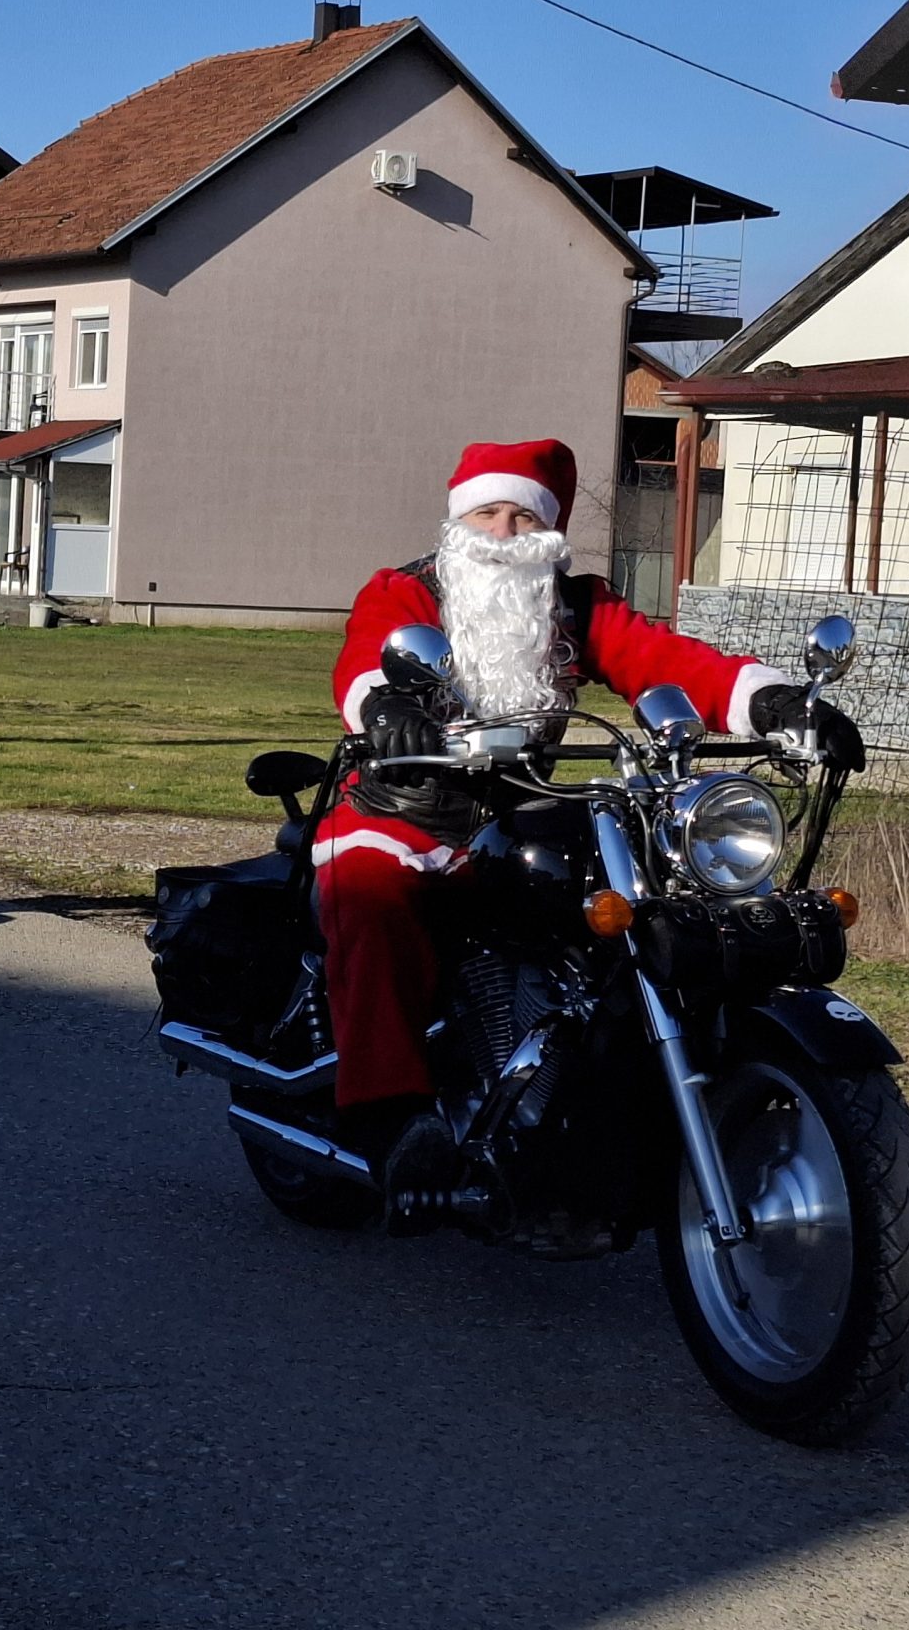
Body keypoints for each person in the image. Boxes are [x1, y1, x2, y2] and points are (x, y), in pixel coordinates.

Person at [320, 438, 866, 1214]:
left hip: (521, 807)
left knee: (643, 897)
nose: (503, 532)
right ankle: (391, 1117)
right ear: (458, 522)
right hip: (404, 808)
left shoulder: (573, 606)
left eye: (522, 516)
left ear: (548, 530)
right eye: (486, 513)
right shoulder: (408, 591)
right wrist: (386, 706)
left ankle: (599, 1094)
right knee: (370, 891)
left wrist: (775, 703)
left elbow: (663, 657)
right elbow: (368, 653)